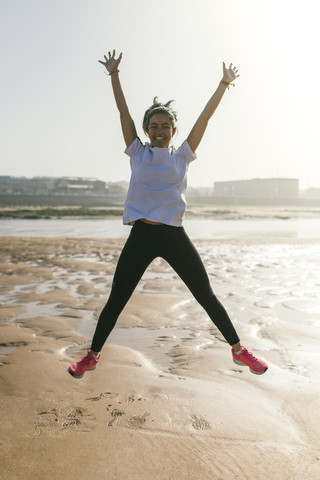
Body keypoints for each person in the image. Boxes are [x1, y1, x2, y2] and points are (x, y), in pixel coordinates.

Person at [68, 50, 268, 379]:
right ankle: (92, 355)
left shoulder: (183, 156)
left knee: (205, 294)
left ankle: (238, 350)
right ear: (147, 130)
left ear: (174, 130)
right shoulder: (137, 152)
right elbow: (123, 113)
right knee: (117, 297)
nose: (159, 130)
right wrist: (114, 75)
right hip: (142, 236)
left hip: (173, 235)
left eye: (165, 126)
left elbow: (204, 118)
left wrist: (223, 84)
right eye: (153, 126)